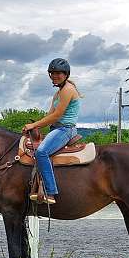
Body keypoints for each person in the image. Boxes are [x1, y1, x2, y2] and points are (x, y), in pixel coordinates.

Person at [22, 58, 81, 204]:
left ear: (66, 74)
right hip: (56, 128)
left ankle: (50, 191)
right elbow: (50, 115)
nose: (55, 76)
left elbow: (57, 115)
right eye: (52, 73)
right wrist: (35, 126)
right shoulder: (58, 93)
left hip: (65, 129)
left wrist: (34, 124)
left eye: (58, 73)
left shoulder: (68, 90)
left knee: (42, 152)